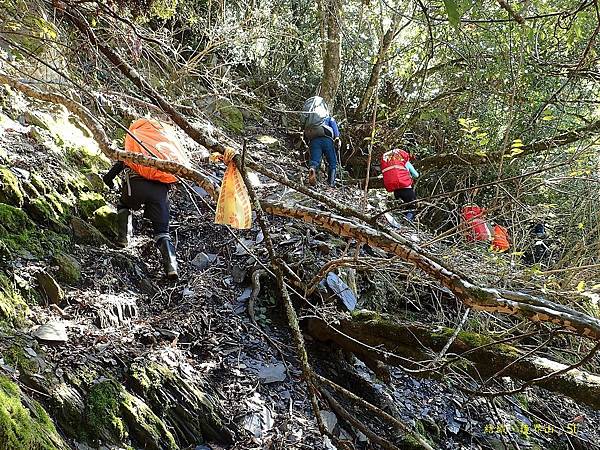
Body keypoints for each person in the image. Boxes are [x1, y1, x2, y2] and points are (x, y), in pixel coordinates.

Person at [302, 98, 341, 187]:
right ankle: (331, 183)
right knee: (332, 162)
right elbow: (334, 126)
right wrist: (337, 137)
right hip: (327, 139)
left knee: (315, 159)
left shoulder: (311, 119)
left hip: (314, 140)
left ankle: (312, 168)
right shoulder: (328, 117)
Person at [380, 148, 419, 221]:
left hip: (396, 191)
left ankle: (399, 222)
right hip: (407, 189)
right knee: (412, 207)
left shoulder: (388, 162)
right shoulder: (405, 162)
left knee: (401, 209)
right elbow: (416, 175)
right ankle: (407, 223)